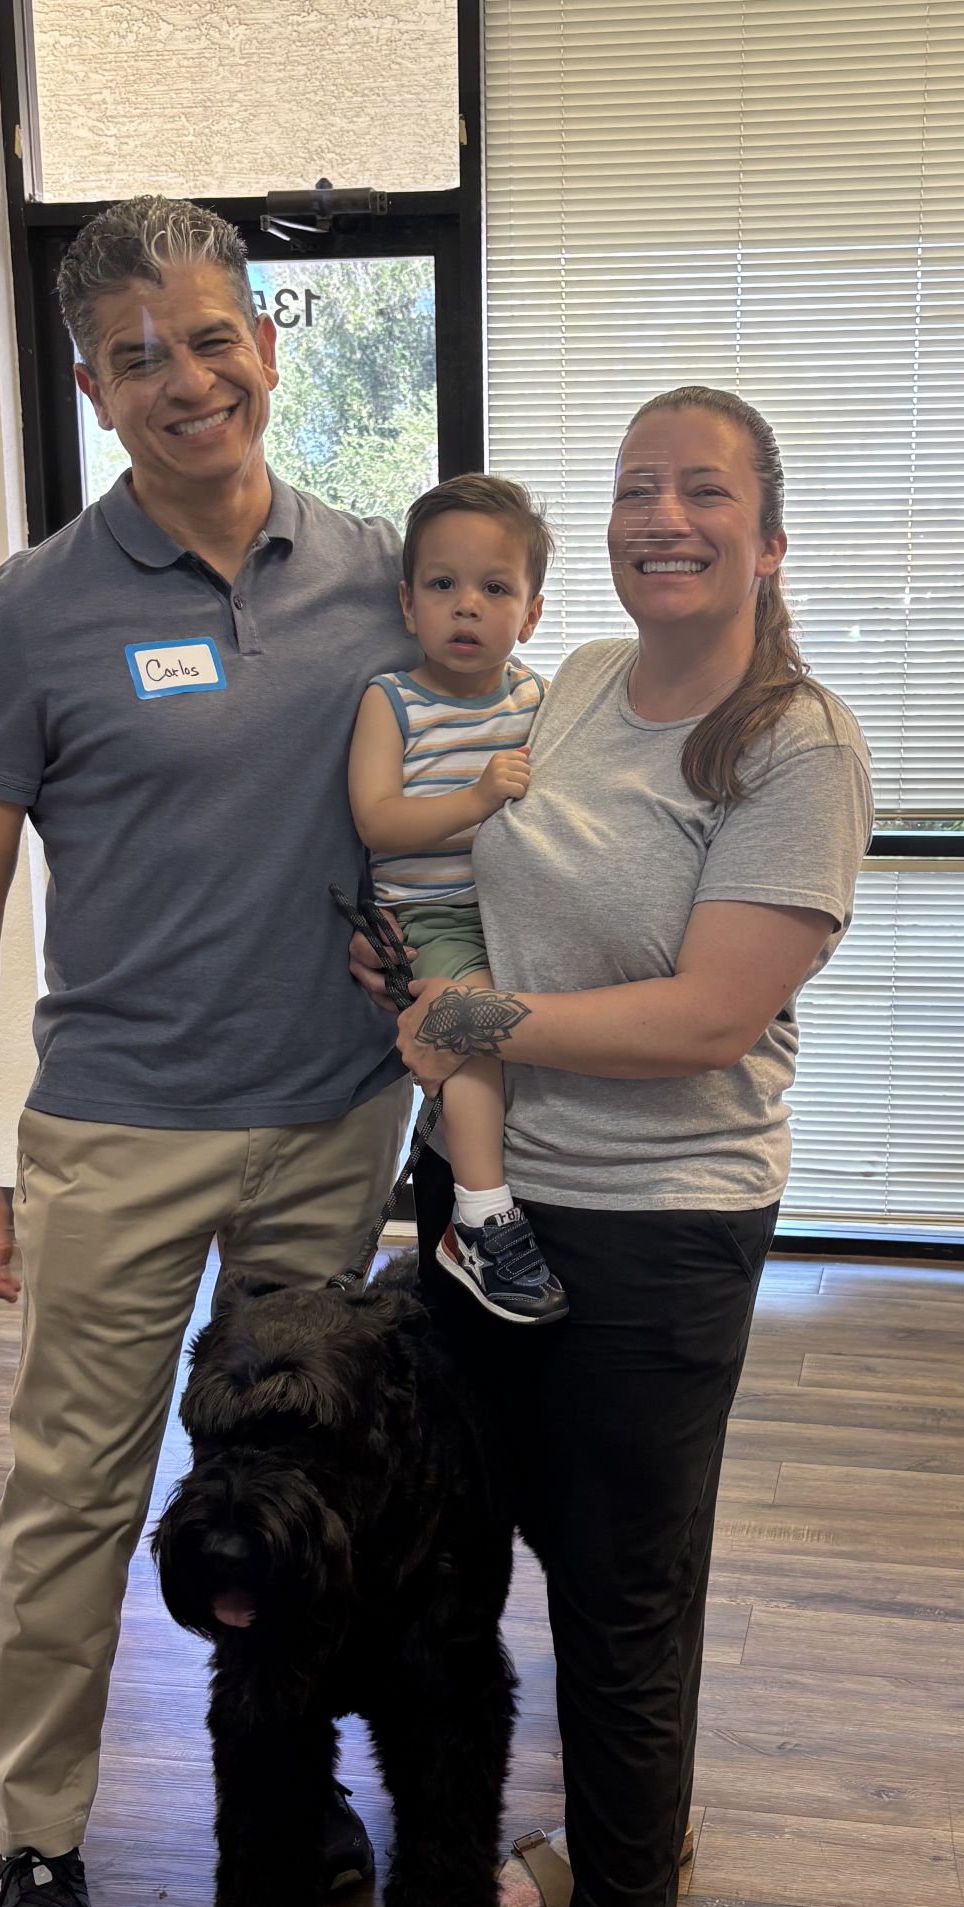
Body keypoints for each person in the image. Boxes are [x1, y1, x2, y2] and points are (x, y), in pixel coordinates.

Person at [355, 386, 873, 1907]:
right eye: (640, 486)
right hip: (484, 1192)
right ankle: (561, 1852)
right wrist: (415, 974)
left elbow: (706, 1017)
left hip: (658, 1229)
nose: (666, 515)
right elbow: (478, 885)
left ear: (765, 533)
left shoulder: (795, 745)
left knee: (623, 1610)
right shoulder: (568, 679)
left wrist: (470, 1024)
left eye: (705, 490)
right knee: (465, 1560)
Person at [0, 194, 416, 1907]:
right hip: (119, 1128)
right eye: (140, 357)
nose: (186, 380)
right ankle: (38, 1845)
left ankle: (295, 1798)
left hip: (334, 1117)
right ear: (93, 387)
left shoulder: (382, 574)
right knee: (79, 1494)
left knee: (302, 1479)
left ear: (267, 342)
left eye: (210, 338)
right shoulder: (30, 615)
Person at [348, 474, 566, 1324]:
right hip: (430, 916)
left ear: (533, 612)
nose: (466, 607)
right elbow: (377, 821)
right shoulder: (392, 702)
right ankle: (478, 1216)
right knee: (471, 1025)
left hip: (521, 909)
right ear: (408, 604)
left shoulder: (537, 699)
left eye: (495, 588)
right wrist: (478, 800)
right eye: (443, 586)